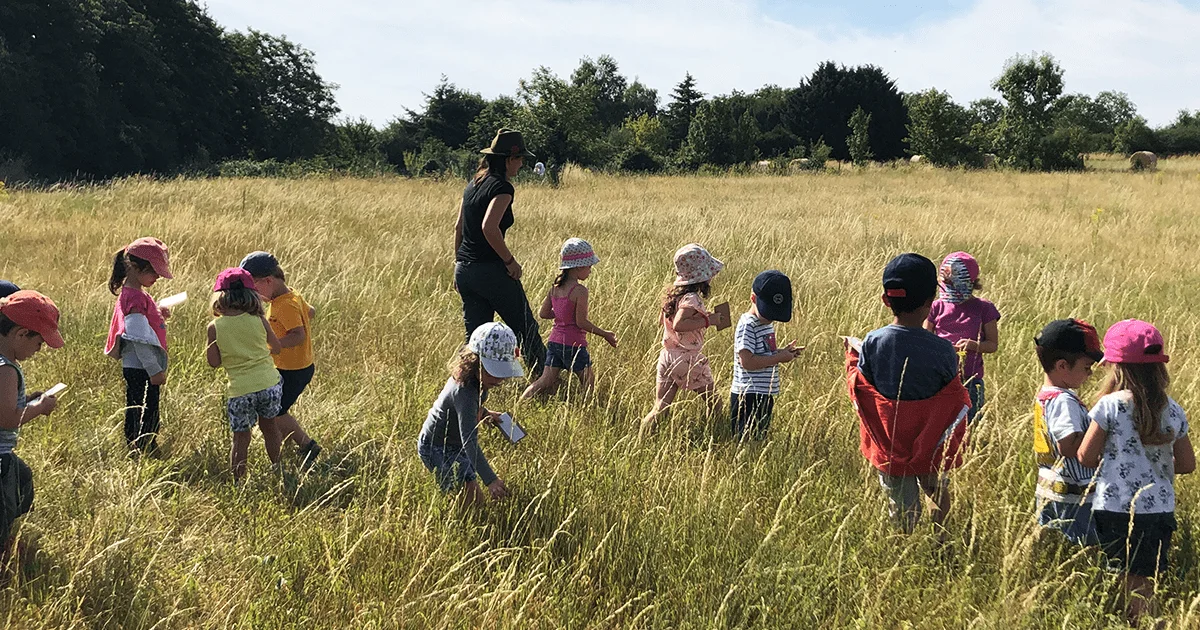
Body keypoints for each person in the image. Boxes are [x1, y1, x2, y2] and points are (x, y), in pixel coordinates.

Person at [1079, 320, 1195, 625]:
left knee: (1123, 582)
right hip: (1158, 508)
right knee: (1144, 581)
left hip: (1116, 508)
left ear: (1116, 367)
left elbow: (1086, 457)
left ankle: (1143, 624)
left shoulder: (1110, 406)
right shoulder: (1173, 410)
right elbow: (1186, 465)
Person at [851, 253, 966, 535]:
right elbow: (951, 395)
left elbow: (866, 386)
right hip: (930, 442)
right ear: (931, 303)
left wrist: (854, 349)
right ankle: (941, 538)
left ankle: (903, 547)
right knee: (937, 490)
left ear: (885, 300)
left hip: (890, 445)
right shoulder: (943, 350)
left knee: (901, 507)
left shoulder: (872, 342)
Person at [453, 128, 545, 376]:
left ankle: (467, 386)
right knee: (525, 327)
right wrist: (509, 260)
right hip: (491, 270)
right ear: (508, 159)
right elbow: (489, 227)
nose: (522, 163)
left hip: (465, 270)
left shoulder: (473, 184)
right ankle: (545, 381)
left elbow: (458, 227)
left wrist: (458, 264)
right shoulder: (503, 187)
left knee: (476, 337)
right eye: (520, 158)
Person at [417, 322, 522, 508]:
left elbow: (468, 410)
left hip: (454, 445)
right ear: (474, 362)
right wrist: (491, 480)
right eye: (494, 372)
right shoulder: (464, 391)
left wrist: (484, 413)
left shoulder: (478, 382)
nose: (499, 379)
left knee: (472, 499)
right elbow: (469, 440)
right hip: (436, 447)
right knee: (472, 503)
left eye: (502, 372)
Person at [240, 251, 322, 470]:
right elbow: (311, 312)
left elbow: (299, 335)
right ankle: (288, 443)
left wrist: (272, 345)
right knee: (274, 409)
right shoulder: (292, 296)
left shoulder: (283, 305)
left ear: (268, 281)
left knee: (275, 411)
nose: (252, 294)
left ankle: (307, 446)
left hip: (294, 370)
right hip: (293, 366)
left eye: (253, 288)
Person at [0, 291, 64, 566]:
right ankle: (5, 555)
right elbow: (6, 419)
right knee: (5, 507)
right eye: (38, 342)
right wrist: (40, 408)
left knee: (23, 478)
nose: (39, 350)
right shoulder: (7, 370)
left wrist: (26, 399)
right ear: (21, 333)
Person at [640, 244, 729, 435]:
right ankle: (713, 437)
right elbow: (680, 324)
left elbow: (666, 322)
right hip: (687, 358)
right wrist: (708, 320)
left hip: (667, 356)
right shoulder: (691, 298)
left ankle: (641, 440)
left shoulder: (673, 296)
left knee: (660, 407)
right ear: (702, 276)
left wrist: (699, 318)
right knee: (715, 403)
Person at [205, 268, 284, 481]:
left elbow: (213, 362)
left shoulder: (214, 327)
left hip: (240, 390)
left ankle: (238, 482)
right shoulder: (259, 319)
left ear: (219, 296)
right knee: (270, 428)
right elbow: (276, 348)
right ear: (251, 294)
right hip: (268, 383)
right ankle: (278, 468)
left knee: (240, 438)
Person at [1032, 319, 1104, 545]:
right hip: (1073, 495)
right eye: (1086, 367)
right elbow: (1067, 444)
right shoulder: (1064, 400)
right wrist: (1099, 434)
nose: (1090, 374)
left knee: (1049, 540)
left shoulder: (1046, 396)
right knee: (1084, 546)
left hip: (1049, 487)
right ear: (1062, 366)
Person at [521, 238, 618, 401]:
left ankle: (521, 403)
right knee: (588, 383)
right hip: (574, 345)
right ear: (579, 266)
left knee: (545, 380)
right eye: (589, 266)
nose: (590, 271)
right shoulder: (580, 291)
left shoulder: (555, 288)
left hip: (555, 342)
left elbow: (543, 313)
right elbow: (581, 322)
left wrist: (561, 315)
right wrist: (605, 334)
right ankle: (588, 411)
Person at [104, 237, 173, 453]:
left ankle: (141, 444)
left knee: (139, 405)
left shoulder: (135, 295)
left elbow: (142, 324)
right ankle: (141, 445)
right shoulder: (134, 299)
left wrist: (158, 314)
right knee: (144, 407)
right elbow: (137, 337)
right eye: (153, 272)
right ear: (134, 267)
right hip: (142, 365)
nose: (157, 277)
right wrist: (154, 370)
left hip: (140, 364)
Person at [924, 252, 1000, 423]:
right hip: (940, 377)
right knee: (940, 424)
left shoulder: (984, 308)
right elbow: (925, 338)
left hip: (971, 379)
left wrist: (973, 345)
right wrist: (941, 348)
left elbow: (992, 344)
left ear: (972, 284)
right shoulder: (936, 306)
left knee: (970, 425)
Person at [730, 270, 802, 441]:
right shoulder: (748, 325)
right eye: (768, 313)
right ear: (753, 298)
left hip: (764, 392)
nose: (771, 319)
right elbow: (747, 361)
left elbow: (762, 353)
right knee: (745, 439)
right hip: (747, 394)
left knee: (759, 437)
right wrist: (778, 358)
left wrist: (783, 353)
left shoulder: (764, 323)